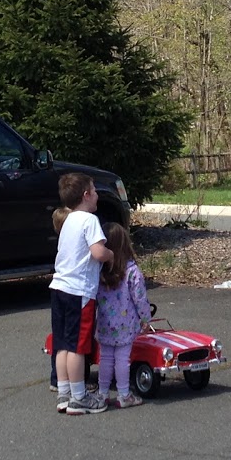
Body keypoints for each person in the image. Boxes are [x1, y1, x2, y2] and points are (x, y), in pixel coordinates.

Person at [50, 173, 112, 415]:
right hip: (80, 291)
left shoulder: (68, 221)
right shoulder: (89, 220)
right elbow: (98, 252)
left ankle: (64, 392)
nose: (97, 194)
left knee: (63, 343)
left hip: (59, 288)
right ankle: (79, 397)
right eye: (94, 190)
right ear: (86, 195)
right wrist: (111, 255)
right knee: (78, 346)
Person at [95, 222, 150, 408]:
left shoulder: (99, 270)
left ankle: (102, 393)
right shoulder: (131, 271)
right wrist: (145, 318)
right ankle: (124, 394)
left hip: (104, 322)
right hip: (126, 324)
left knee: (105, 358)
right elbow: (140, 298)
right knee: (122, 359)